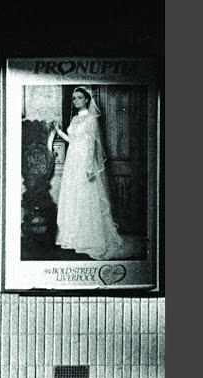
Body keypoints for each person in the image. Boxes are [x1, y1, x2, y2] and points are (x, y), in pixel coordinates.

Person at [52, 86, 130, 260]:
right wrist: (59, 131)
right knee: (73, 197)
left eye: (79, 97)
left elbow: (91, 146)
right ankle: (72, 237)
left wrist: (89, 167)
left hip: (84, 162)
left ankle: (88, 238)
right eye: (74, 98)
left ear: (87, 99)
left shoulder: (91, 119)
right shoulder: (74, 119)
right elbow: (72, 140)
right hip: (72, 161)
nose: (76, 101)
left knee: (85, 197)